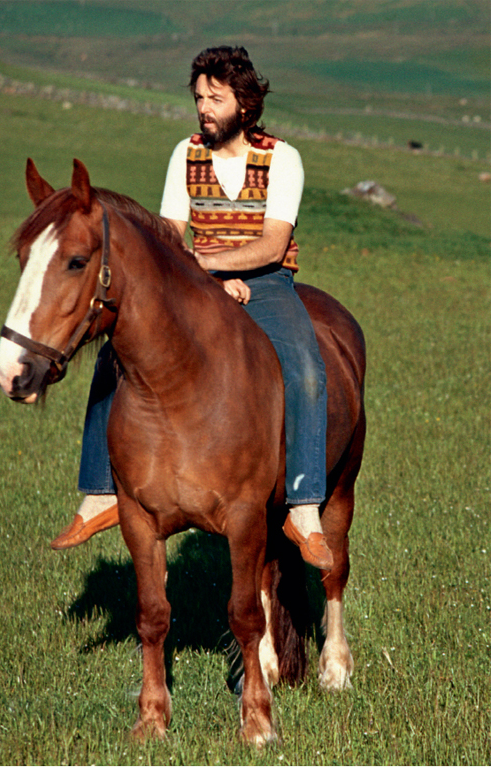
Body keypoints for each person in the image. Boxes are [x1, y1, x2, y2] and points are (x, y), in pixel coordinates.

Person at [51, 46, 332, 570]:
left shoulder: (282, 158)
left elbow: (273, 245)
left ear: (244, 105)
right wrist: (208, 281)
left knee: (307, 370)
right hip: (198, 279)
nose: (204, 107)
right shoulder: (186, 153)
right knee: (117, 350)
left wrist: (218, 270)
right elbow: (169, 236)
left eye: (215, 98)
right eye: (199, 97)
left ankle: (304, 504)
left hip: (266, 281)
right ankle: (99, 491)